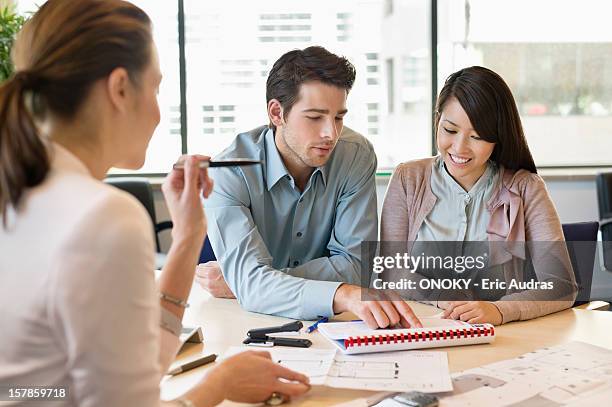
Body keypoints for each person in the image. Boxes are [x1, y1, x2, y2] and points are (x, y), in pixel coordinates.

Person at [0, 1, 309, 406]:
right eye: (157, 87)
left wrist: (187, 239)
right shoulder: (101, 217)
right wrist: (219, 385)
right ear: (120, 89)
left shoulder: (23, 192)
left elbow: (127, 367)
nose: (160, 113)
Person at [196, 46, 421, 329]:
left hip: (332, 326)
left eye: (339, 117)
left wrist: (257, 282)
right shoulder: (229, 173)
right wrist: (340, 292)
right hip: (244, 324)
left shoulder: (356, 156)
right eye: (315, 117)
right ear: (277, 113)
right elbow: (253, 288)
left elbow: (355, 267)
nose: (331, 133)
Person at [380, 66, 577, 325]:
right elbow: (391, 272)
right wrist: (441, 295)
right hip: (421, 329)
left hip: (500, 337)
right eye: (449, 130)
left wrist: (499, 310)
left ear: (498, 138)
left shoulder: (527, 188)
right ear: (437, 120)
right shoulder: (408, 178)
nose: (459, 147)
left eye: (477, 136)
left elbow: (560, 285)